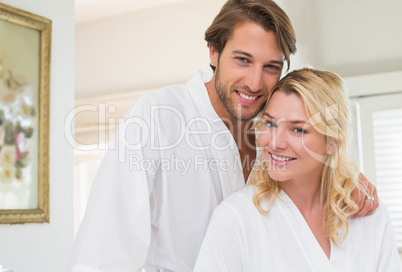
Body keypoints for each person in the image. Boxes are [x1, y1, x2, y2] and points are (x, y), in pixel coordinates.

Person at [68, 1, 378, 271]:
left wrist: (342, 180)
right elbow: (104, 252)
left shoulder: (274, 128)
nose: (255, 82)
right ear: (214, 52)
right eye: (243, 59)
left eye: (271, 66)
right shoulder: (156, 117)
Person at [193, 67, 401, 272]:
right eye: (270, 123)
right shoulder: (235, 218)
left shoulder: (367, 212)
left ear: (332, 142)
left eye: (298, 129)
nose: (274, 142)